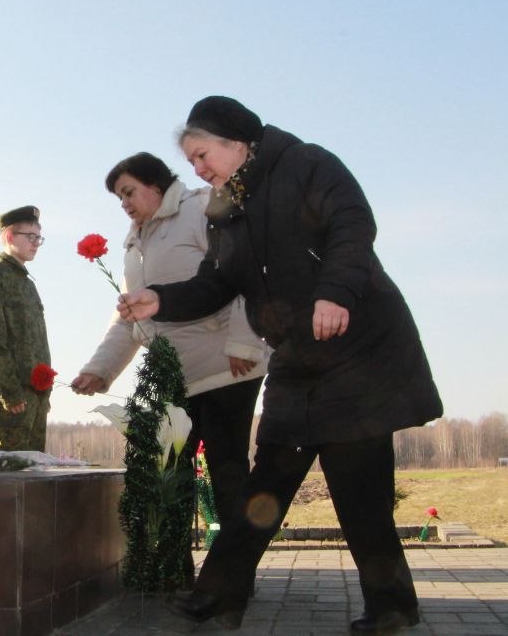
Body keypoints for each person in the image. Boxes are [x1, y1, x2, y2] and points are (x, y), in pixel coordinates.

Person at [119, 97, 442, 633]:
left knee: (358, 487)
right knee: (264, 481)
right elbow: (218, 281)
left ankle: (392, 607)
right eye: (192, 160)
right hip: (296, 357)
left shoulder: (307, 164)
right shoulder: (224, 206)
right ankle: (219, 596)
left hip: (355, 349)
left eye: (202, 156)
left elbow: (352, 225)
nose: (197, 170)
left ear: (236, 142)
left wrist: (335, 293)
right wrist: (162, 300)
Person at [70, 152, 271, 529]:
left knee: (226, 466)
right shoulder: (135, 243)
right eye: (119, 198)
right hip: (176, 372)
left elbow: (245, 271)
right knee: (171, 469)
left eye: (129, 192)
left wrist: (244, 342)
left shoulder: (199, 210)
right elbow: (130, 314)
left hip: (227, 364)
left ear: (156, 185)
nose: (125, 204)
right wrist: (100, 369)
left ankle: (233, 571)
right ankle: (175, 569)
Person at [0, 205, 52, 451]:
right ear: (9, 236)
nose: (36, 243)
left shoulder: (27, 284)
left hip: (34, 399)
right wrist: (11, 392)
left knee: (31, 477)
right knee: (5, 479)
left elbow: (37, 344)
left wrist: (44, 394)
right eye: (30, 236)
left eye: (39, 237)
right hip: (11, 401)